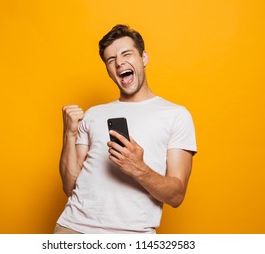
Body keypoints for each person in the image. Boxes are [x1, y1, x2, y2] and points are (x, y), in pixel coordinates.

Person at [54, 24, 197, 234]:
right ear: (109, 71)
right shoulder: (93, 114)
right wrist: (68, 134)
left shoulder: (176, 115)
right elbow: (70, 187)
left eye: (126, 54)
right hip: (73, 229)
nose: (119, 62)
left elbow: (176, 196)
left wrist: (138, 168)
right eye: (111, 60)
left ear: (144, 58)